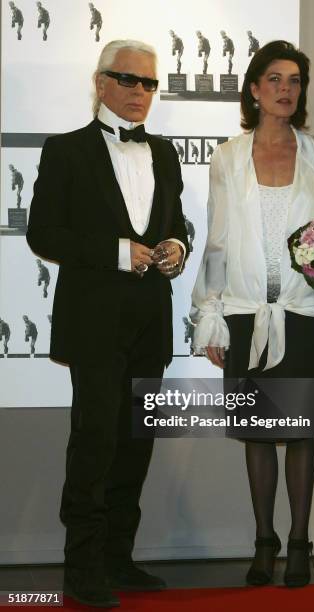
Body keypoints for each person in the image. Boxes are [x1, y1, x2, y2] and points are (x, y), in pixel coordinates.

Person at [191, 40, 314, 589]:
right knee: (258, 433)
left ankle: (300, 542)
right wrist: (211, 314)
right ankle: (264, 541)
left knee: (300, 430)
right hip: (245, 314)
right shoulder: (225, 155)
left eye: (294, 80)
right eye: (274, 79)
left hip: (304, 312)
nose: (286, 89)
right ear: (254, 88)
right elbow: (217, 241)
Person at [27, 39, 189, 608]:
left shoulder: (165, 153)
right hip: (94, 322)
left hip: (152, 322)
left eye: (149, 83)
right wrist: (117, 251)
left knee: (134, 443)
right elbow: (43, 234)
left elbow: (178, 223)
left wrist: (175, 244)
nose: (140, 92)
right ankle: (83, 567)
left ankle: (119, 559)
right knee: (94, 441)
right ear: (100, 84)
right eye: (128, 80)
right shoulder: (66, 150)